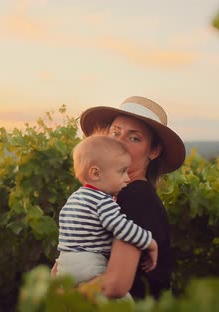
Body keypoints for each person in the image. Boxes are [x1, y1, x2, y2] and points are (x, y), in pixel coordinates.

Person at [76, 96, 186, 299]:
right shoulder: (110, 197)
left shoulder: (137, 197)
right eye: (115, 132)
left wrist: (60, 294)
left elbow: (115, 285)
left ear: (154, 151)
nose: (118, 143)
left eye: (133, 138)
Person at [55, 135, 159, 289]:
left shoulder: (75, 198)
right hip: (89, 265)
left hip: (64, 265)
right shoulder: (102, 201)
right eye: (122, 172)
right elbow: (121, 228)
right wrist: (150, 242)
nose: (127, 178)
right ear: (96, 173)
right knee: (122, 303)